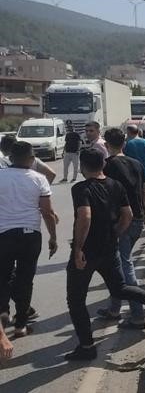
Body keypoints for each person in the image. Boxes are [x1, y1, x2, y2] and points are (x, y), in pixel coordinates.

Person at [65, 148, 145, 361]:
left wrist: (78, 249)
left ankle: (86, 346)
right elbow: (127, 215)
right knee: (119, 287)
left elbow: (85, 216)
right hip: (109, 247)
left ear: (82, 167)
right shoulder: (115, 185)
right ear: (103, 165)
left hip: (87, 251)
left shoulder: (81, 188)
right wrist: (115, 234)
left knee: (76, 300)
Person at [0, 142, 58, 337]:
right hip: (30, 235)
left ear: (11, 158)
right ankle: (21, 325)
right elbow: (48, 212)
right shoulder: (39, 179)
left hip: (4, 234)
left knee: (3, 275)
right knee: (25, 279)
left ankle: (3, 310)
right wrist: (53, 237)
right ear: (31, 158)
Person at [95, 128, 145, 329]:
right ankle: (115, 308)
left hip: (120, 222)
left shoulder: (107, 166)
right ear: (124, 143)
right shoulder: (136, 163)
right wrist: (142, 212)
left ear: (106, 145)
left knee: (125, 266)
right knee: (117, 264)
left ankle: (137, 314)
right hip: (138, 219)